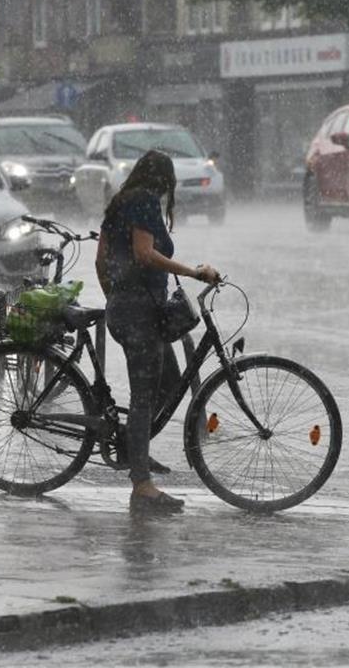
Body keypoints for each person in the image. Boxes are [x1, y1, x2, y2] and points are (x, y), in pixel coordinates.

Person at [95, 150, 221, 514]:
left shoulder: (120, 201)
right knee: (144, 397)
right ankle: (142, 486)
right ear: (164, 180)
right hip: (138, 313)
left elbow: (101, 258)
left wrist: (115, 297)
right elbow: (145, 254)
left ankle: (136, 451)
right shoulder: (145, 201)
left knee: (169, 382)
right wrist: (194, 273)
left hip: (129, 308)